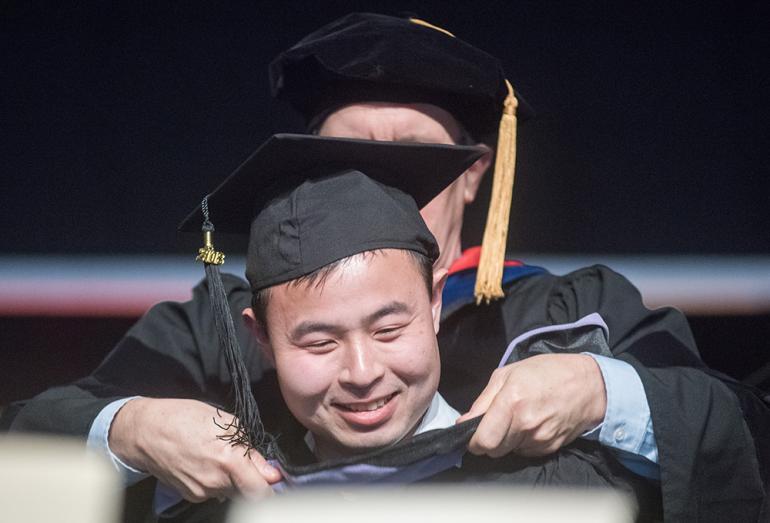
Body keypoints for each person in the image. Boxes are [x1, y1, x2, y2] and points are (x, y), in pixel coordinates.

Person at [2, 12, 768, 522]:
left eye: (412, 161)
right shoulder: (218, 327)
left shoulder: (574, 311)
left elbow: (747, 436)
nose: (379, 188)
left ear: (474, 174)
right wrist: (131, 426)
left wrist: (605, 390)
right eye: (345, 159)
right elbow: (32, 442)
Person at [162, 132, 655, 522]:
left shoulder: (560, 492)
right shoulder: (224, 508)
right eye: (319, 342)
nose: (362, 372)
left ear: (436, 302)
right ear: (261, 339)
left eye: (389, 330)